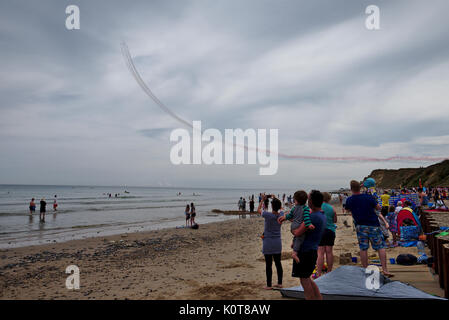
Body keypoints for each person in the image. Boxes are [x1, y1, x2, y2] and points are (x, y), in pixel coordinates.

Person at [345, 180, 394, 277]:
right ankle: (385, 269)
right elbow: (378, 208)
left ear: (351, 189)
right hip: (373, 225)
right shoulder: (368, 197)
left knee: (363, 248)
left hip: (360, 226)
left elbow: (347, 210)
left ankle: (365, 270)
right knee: (380, 247)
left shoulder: (349, 200)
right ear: (360, 188)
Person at [291, 190, 326, 300]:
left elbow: (297, 232)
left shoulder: (313, 217)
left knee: (304, 280)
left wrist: (292, 228)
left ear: (311, 202)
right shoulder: (321, 214)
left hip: (305, 252)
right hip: (312, 250)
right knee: (307, 278)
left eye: (308, 199)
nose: (307, 201)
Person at [278, 190, 314, 264]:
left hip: (293, 226)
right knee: (301, 237)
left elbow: (289, 216)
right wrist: (309, 225)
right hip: (299, 226)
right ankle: (294, 253)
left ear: (296, 200)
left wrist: (283, 218)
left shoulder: (294, 208)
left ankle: (294, 243)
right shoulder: (306, 208)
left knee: (298, 237)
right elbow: (306, 218)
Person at [257, 194, 284, 290]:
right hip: (277, 242)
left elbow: (258, 210)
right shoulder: (281, 215)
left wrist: (262, 200)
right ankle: (280, 283)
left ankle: (269, 285)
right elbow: (281, 208)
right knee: (278, 263)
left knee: (268, 265)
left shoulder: (267, 215)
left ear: (272, 206)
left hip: (268, 242)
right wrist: (275, 198)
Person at [316, 192, 337, 277]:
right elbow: (335, 220)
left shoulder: (317, 207)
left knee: (320, 253)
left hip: (320, 231)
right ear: (329, 199)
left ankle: (319, 273)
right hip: (330, 231)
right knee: (329, 252)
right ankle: (329, 272)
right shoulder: (332, 208)